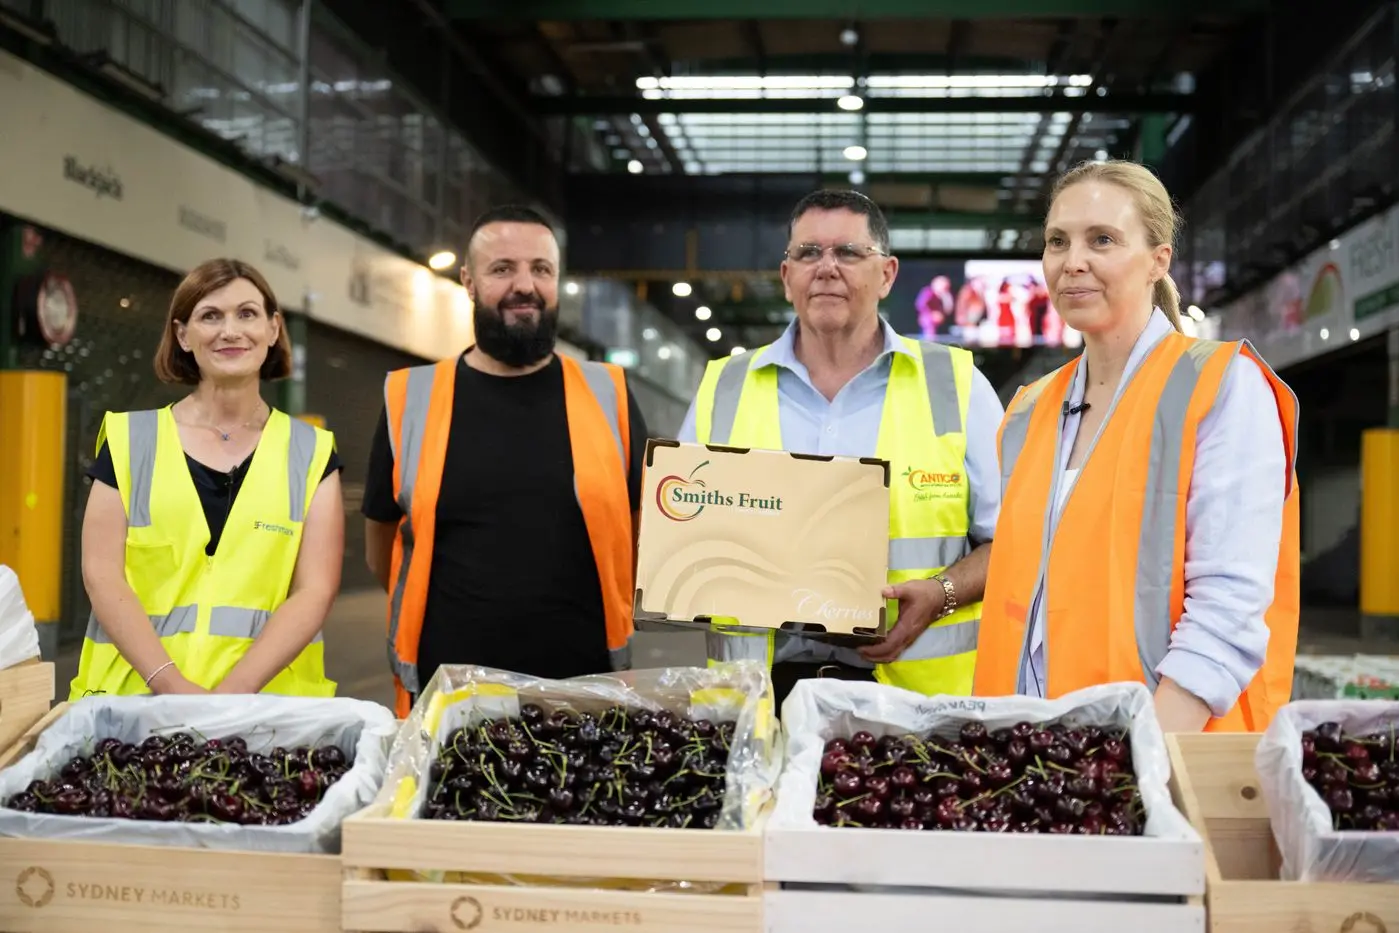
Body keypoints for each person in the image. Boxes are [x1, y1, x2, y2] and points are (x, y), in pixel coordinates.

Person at [973, 159, 1300, 733]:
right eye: (1057, 241)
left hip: (1167, 756)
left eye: (1102, 239)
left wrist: (1136, 761)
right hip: (1034, 752)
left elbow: (1226, 614)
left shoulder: (1221, 385)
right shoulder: (1028, 411)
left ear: (1158, 260)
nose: (1073, 261)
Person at [678, 189, 1004, 707]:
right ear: (787, 276)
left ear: (887, 274)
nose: (826, 268)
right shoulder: (723, 388)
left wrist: (941, 594)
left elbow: (1013, 540)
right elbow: (680, 539)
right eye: (808, 252)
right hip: (755, 702)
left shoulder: (957, 387)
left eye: (849, 252)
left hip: (913, 707)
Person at [362, 205, 648, 717]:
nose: (525, 286)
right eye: (502, 269)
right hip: (448, 701)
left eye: (541, 269)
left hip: (585, 698)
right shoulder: (410, 398)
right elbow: (383, 551)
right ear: (469, 282)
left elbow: (641, 534)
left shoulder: (611, 395)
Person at [71, 259, 343, 699]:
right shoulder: (129, 440)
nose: (230, 331)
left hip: (268, 712)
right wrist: (172, 686)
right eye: (210, 316)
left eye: (247, 313)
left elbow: (315, 590)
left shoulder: (311, 452)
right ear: (183, 335)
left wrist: (231, 695)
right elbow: (102, 574)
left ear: (273, 329)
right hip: (132, 707)